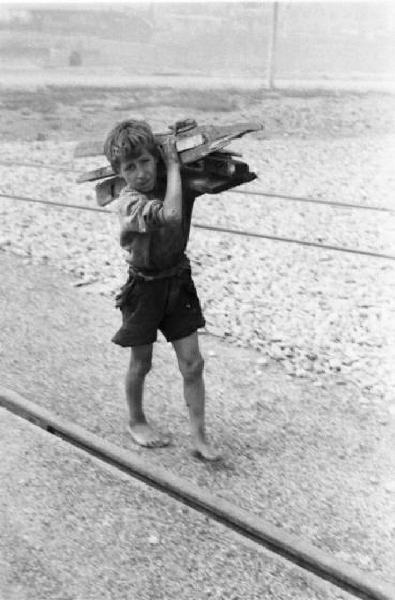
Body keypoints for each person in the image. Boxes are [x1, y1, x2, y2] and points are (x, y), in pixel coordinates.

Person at [104, 119, 220, 461]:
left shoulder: (173, 181)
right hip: (144, 288)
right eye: (130, 167)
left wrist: (185, 137)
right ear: (119, 173)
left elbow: (214, 172)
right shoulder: (129, 203)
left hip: (177, 281)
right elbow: (170, 215)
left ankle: (199, 435)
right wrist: (172, 164)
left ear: (154, 158)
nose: (140, 173)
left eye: (145, 162)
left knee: (193, 363)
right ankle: (136, 420)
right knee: (141, 362)